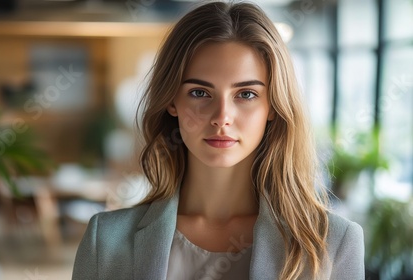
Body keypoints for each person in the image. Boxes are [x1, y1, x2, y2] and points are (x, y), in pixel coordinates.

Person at [72, 2, 365, 279]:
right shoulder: (106, 240)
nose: (222, 117)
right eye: (200, 93)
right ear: (172, 101)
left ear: (273, 106)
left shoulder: (334, 243)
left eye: (246, 94)